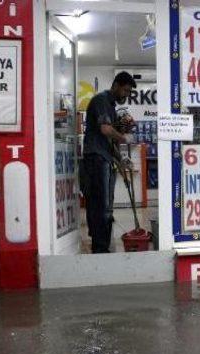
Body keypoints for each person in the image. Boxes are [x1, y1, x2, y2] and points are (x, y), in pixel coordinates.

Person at [82, 72, 136, 253]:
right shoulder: (102, 100)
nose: (126, 95)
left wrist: (121, 160)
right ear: (116, 85)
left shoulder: (110, 106)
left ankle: (102, 245)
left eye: (128, 92)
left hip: (103, 158)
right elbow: (105, 130)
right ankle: (100, 248)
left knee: (105, 206)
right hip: (96, 160)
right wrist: (124, 138)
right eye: (125, 90)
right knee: (101, 206)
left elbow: (108, 142)